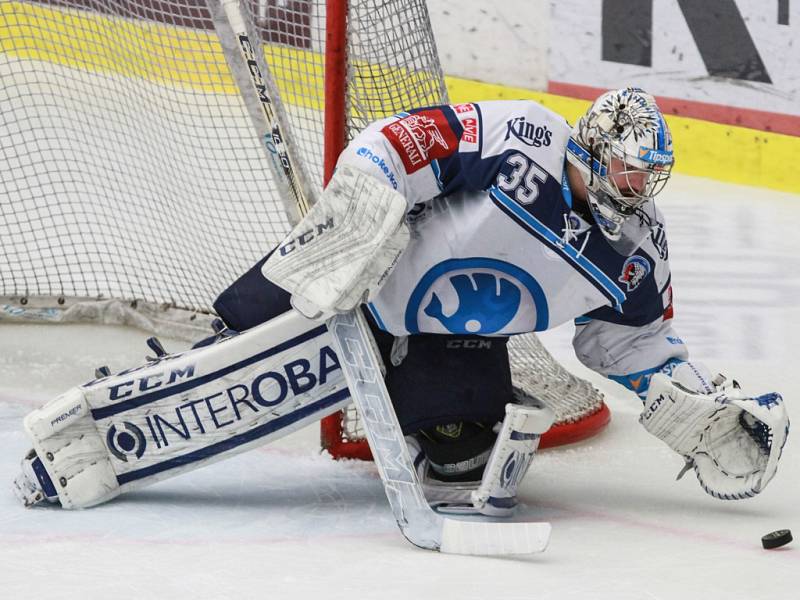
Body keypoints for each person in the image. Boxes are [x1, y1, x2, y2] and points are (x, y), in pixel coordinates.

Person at [13, 88, 788, 513]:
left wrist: (697, 410)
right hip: (365, 276)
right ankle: (148, 392)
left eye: (643, 179)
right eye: (620, 171)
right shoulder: (523, 134)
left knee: (464, 460)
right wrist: (362, 219)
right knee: (237, 339)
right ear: (587, 150)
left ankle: (427, 409)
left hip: (450, 339)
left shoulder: (637, 252)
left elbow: (631, 345)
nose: (631, 190)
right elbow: (402, 141)